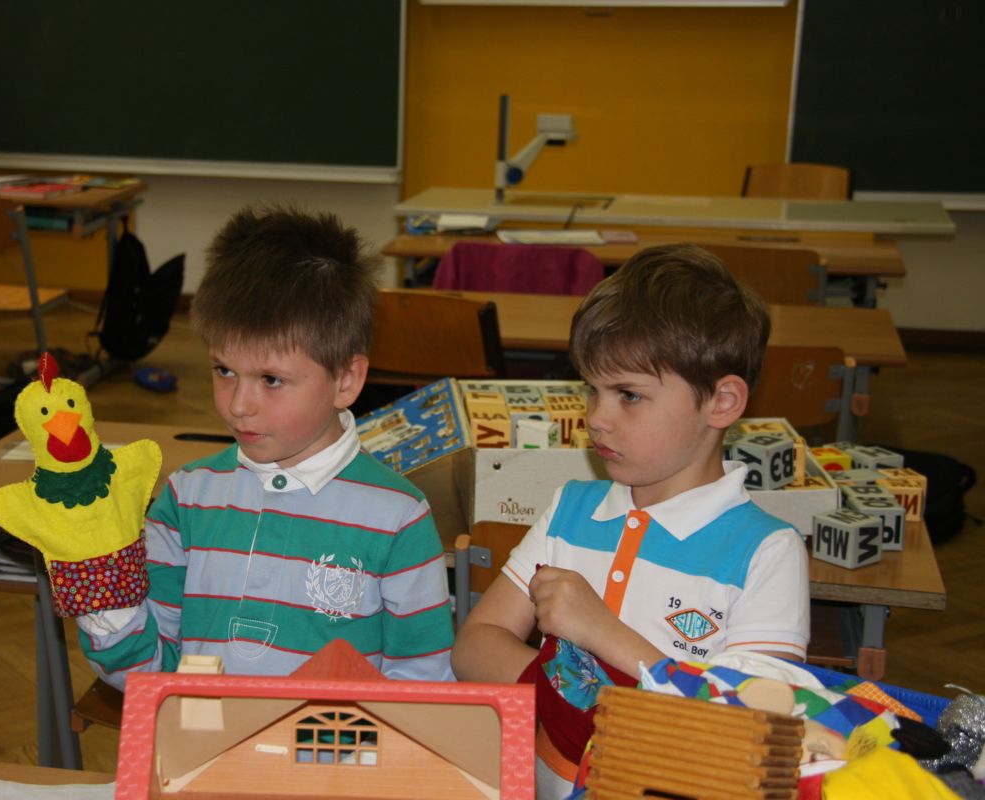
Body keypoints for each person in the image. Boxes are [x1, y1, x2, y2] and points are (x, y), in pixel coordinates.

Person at [451, 243, 810, 797]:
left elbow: (747, 730)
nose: (597, 418)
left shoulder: (766, 552)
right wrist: (572, 698)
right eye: (592, 390)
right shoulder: (571, 509)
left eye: (629, 396)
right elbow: (474, 646)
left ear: (721, 402)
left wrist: (603, 635)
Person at [76, 205, 455, 684]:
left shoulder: (398, 517)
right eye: (224, 370)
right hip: (202, 732)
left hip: (337, 736)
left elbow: (422, 682)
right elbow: (146, 673)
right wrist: (102, 590)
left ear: (345, 380)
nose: (238, 405)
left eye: (271, 379)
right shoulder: (187, 497)